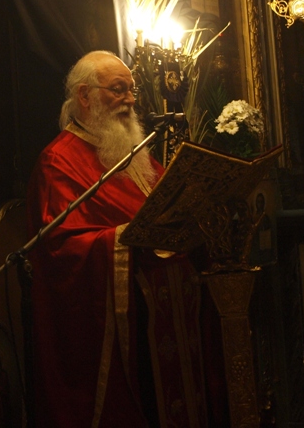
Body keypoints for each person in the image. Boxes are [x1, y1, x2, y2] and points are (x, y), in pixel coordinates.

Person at [27, 51, 207, 428]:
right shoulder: (58, 160)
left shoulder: (132, 151)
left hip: (169, 301)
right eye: (118, 89)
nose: (130, 100)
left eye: (131, 90)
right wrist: (127, 239)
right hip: (128, 317)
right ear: (85, 96)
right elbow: (61, 249)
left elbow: (165, 201)